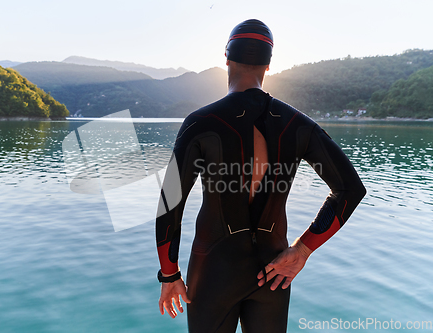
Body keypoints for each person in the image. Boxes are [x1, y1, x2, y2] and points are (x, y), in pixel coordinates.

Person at [155, 19, 366, 333]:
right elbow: (350, 189)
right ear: (268, 65)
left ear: (226, 58)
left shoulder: (200, 123)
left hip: (214, 271)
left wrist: (169, 275)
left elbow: (170, 205)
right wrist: (303, 249)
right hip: (274, 270)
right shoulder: (298, 124)